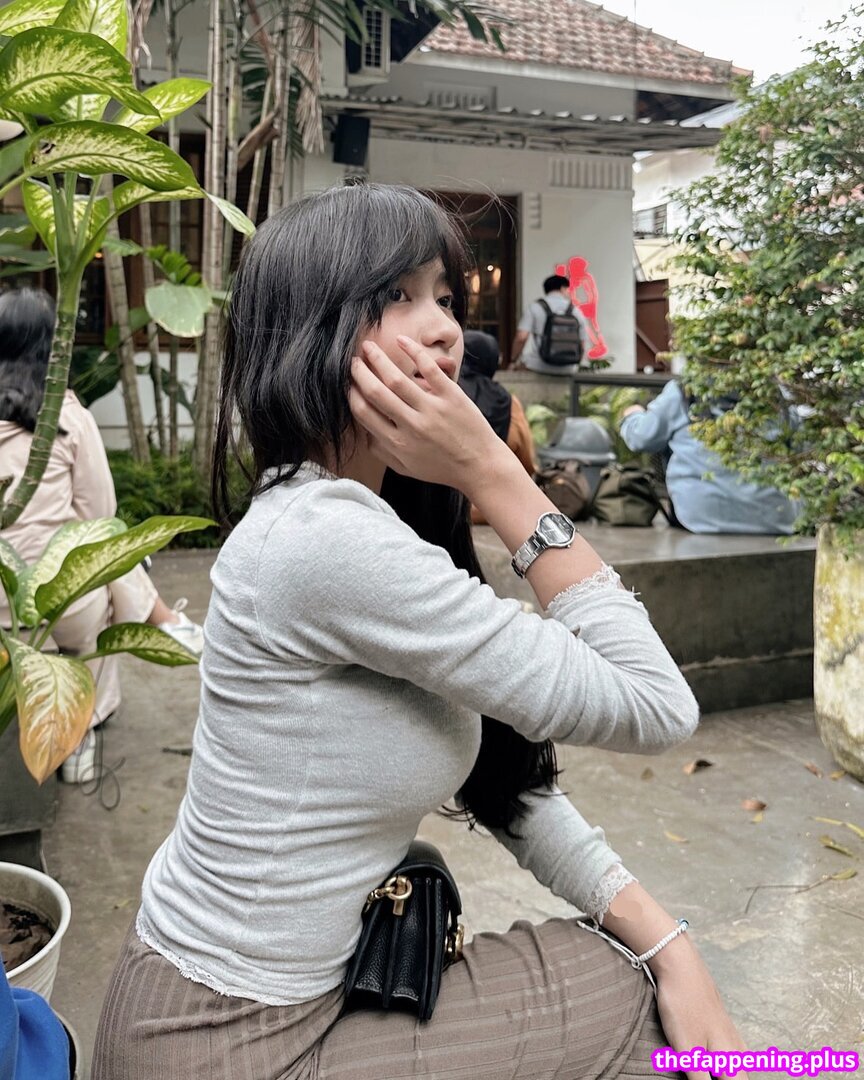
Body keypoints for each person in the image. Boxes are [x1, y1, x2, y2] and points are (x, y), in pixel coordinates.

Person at [93, 183, 749, 1080]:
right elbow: (656, 705)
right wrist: (496, 473)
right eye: (396, 295)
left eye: (444, 295)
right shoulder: (323, 540)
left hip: (243, 1008)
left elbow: (504, 780)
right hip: (226, 1038)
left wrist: (669, 940)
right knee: (628, 999)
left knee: (639, 976)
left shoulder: (369, 516)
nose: (443, 328)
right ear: (312, 334)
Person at [0, 288, 204, 783]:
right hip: (59, 612)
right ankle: (80, 734)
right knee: (104, 561)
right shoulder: (67, 416)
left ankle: (164, 621)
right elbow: (101, 515)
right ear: (53, 347)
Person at [620, 379, 799, 534]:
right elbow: (800, 450)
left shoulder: (685, 390)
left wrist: (632, 416)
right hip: (776, 519)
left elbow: (641, 438)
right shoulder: (777, 393)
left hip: (700, 518)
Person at [458, 329, 535, 525]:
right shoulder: (508, 402)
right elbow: (526, 459)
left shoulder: (442, 392)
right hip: (492, 509)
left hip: (441, 506)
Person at [511, 273, 590, 374]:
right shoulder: (575, 311)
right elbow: (582, 342)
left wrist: (513, 360)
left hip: (539, 365)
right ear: (562, 288)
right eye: (567, 289)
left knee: (517, 368)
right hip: (569, 367)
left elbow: (521, 338)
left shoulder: (535, 307)